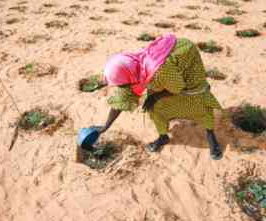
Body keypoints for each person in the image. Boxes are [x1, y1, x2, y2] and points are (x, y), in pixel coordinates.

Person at [92, 34, 225, 160]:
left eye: (122, 84)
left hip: (186, 58)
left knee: (197, 100)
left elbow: (177, 87)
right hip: (168, 70)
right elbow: (121, 100)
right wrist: (105, 127)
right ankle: (163, 136)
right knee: (154, 108)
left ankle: (210, 134)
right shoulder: (134, 65)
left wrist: (155, 96)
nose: (122, 88)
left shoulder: (158, 71)